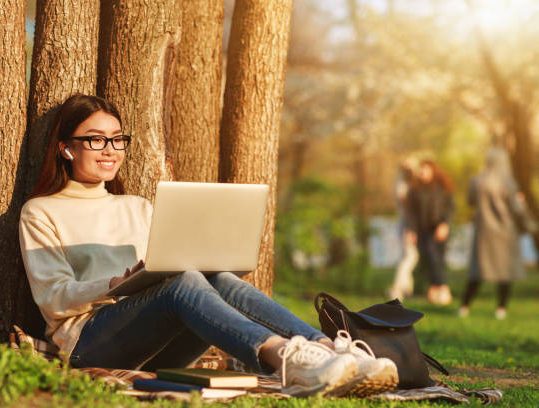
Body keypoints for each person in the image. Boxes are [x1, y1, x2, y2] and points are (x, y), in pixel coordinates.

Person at [19, 94, 398, 397]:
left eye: (118, 139)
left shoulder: (136, 207)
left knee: (214, 276)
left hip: (162, 338)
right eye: (96, 139)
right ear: (67, 148)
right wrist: (113, 286)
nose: (111, 150)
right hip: (91, 344)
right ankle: (287, 358)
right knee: (183, 282)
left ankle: (331, 353)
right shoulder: (41, 212)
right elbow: (53, 298)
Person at [459, 148, 532, 320]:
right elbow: (516, 208)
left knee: (478, 271)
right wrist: (526, 216)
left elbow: (470, 202)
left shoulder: (477, 181)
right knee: (504, 272)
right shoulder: (508, 182)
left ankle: (464, 306)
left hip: (484, 233)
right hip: (505, 232)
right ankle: (501, 309)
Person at [406, 160, 454, 306]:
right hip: (423, 231)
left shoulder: (442, 188)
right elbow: (412, 213)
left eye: (425, 170)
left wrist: (444, 224)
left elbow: (450, 208)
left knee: (437, 259)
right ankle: (435, 289)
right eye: (421, 170)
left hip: (438, 229)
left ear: (433, 170)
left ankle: (442, 289)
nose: (423, 173)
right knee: (429, 259)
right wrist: (412, 230)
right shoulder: (415, 189)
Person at [387, 158, 419, 300]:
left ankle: (407, 290)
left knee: (407, 256)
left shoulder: (407, 183)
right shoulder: (402, 185)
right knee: (410, 257)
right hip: (407, 224)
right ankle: (397, 288)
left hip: (408, 224)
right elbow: (408, 209)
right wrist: (410, 229)